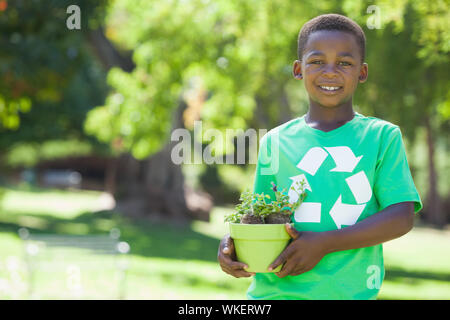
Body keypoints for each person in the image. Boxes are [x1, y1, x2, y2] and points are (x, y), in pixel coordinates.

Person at [217, 13, 422, 300]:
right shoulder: (275, 142)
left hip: (350, 293)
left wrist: (324, 243)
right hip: (275, 294)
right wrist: (232, 245)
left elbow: (401, 216)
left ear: (362, 73)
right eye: (317, 61)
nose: (330, 71)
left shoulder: (381, 137)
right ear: (298, 69)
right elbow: (259, 218)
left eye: (344, 63)